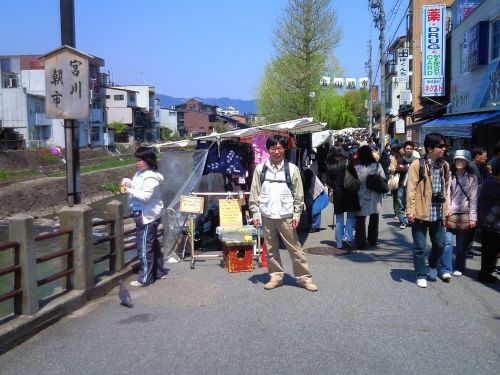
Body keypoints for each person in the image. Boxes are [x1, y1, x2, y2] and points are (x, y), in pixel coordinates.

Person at [249, 134, 318, 292]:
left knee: (295, 248)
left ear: (284, 149)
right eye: (273, 148)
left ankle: (304, 278)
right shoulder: (261, 169)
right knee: (271, 248)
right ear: (268, 150)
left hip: (286, 215)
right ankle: (276, 276)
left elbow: (299, 194)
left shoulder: (292, 169)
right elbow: (254, 193)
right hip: (267, 215)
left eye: (279, 148)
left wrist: (297, 214)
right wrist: (255, 213)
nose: (276, 151)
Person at [406, 133, 450, 288]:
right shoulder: (417, 165)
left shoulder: (445, 165)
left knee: (439, 244)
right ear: (430, 148)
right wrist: (409, 210)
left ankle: (432, 265)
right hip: (419, 211)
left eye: (444, 146)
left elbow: (446, 189)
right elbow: (411, 188)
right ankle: (421, 274)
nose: (444, 149)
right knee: (420, 247)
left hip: (438, 212)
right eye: (440, 146)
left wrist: (446, 211)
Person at [121, 147, 166, 287]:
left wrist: (127, 189)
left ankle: (145, 278)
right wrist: (128, 181)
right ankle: (158, 272)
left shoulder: (151, 177)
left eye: (140, 160)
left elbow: (145, 196)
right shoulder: (141, 174)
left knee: (144, 247)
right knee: (152, 244)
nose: (138, 163)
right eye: (137, 160)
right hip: (144, 214)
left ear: (148, 161)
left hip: (147, 216)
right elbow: (137, 186)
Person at [438, 150, 478, 281]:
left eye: (463, 160)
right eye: (457, 160)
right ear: (454, 161)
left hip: (464, 214)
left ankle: (460, 267)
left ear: (467, 162)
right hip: (450, 213)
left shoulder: (472, 178)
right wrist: (446, 211)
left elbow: (473, 199)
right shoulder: (449, 175)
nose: (460, 162)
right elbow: (446, 195)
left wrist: (473, 217)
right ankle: (446, 269)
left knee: (461, 245)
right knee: (447, 242)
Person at [325, 144, 361, 249]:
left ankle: (339, 244)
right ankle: (348, 237)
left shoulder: (329, 165)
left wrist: (335, 185)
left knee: (339, 219)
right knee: (350, 216)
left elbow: (328, 181)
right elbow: (355, 176)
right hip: (349, 191)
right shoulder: (348, 162)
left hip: (338, 193)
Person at [354, 145, 385, 249]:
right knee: (374, 219)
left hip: (360, 195)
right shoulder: (377, 166)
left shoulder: (356, 167)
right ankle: (372, 240)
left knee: (360, 219)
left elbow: (353, 182)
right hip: (374, 195)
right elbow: (383, 178)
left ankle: (360, 242)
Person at [477, 159, 500, 284]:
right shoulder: (492, 183)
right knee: (489, 251)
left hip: (491, 223)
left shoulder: (490, 181)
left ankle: (487, 272)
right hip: (490, 224)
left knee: (492, 250)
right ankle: (485, 274)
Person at [395, 141, 418, 229]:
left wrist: (404, 168)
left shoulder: (416, 160)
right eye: (407, 148)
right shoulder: (401, 159)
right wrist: (409, 168)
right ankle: (403, 221)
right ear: (404, 149)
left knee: (411, 204)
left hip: (413, 186)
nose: (409, 150)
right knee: (401, 204)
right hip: (402, 185)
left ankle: (411, 220)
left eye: (411, 149)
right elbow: (398, 169)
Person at [388, 145, 404, 220]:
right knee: (396, 197)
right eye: (402, 149)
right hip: (396, 179)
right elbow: (392, 169)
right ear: (398, 150)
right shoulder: (394, 158)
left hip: (404, 179)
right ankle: (396, 212)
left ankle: (403, 212)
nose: (403, 150)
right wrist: (400, 169)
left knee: (403, 197)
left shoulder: (406, 158)